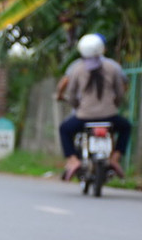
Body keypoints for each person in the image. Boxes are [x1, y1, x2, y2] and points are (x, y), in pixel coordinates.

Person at [56, 33, 131, 180]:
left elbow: (72, 94)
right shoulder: (113, 67)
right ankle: (115, 158)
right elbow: (120, 92)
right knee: (126, 127)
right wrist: (114, 105)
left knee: (64, 129)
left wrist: (77, 106)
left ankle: (73, 160)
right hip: (110, 117)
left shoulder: (77, 68)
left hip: (84, 117)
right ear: (102, 48)